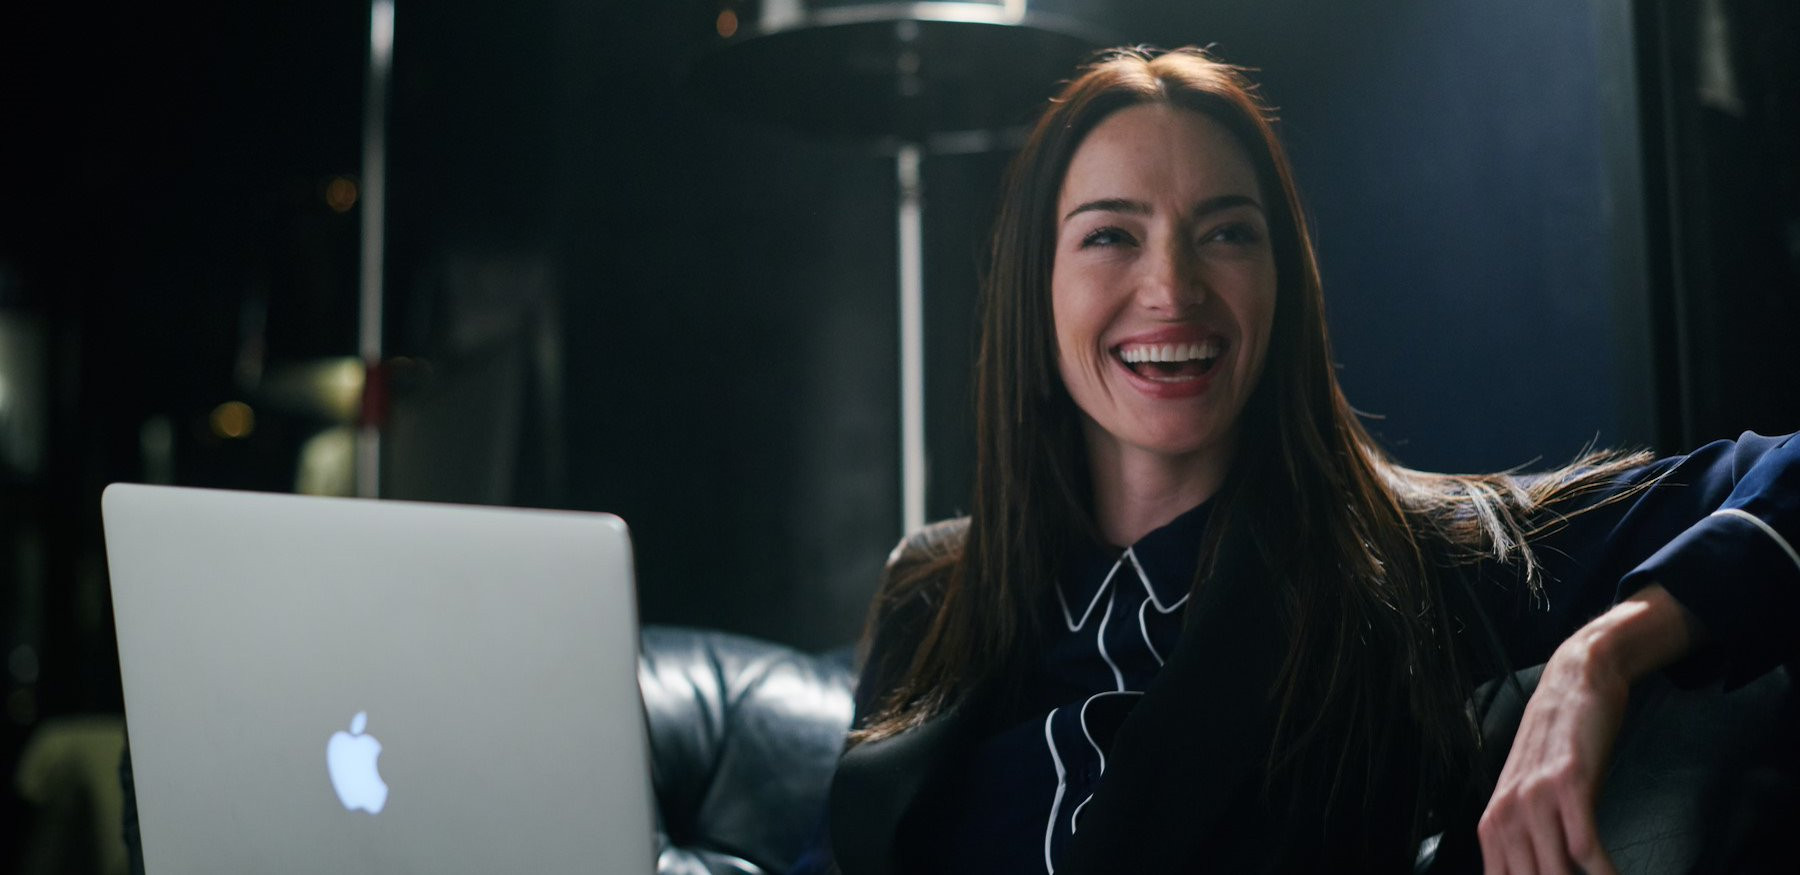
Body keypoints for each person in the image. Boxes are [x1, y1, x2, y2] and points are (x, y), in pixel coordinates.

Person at [803, 47, 1798, 873]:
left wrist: (1601, 653)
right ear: (1037, 292)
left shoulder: (1405, 556)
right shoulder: (933, 592)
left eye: (1227, 232)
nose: (1171, 286)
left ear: (1283, 284)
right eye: (1111, 235)